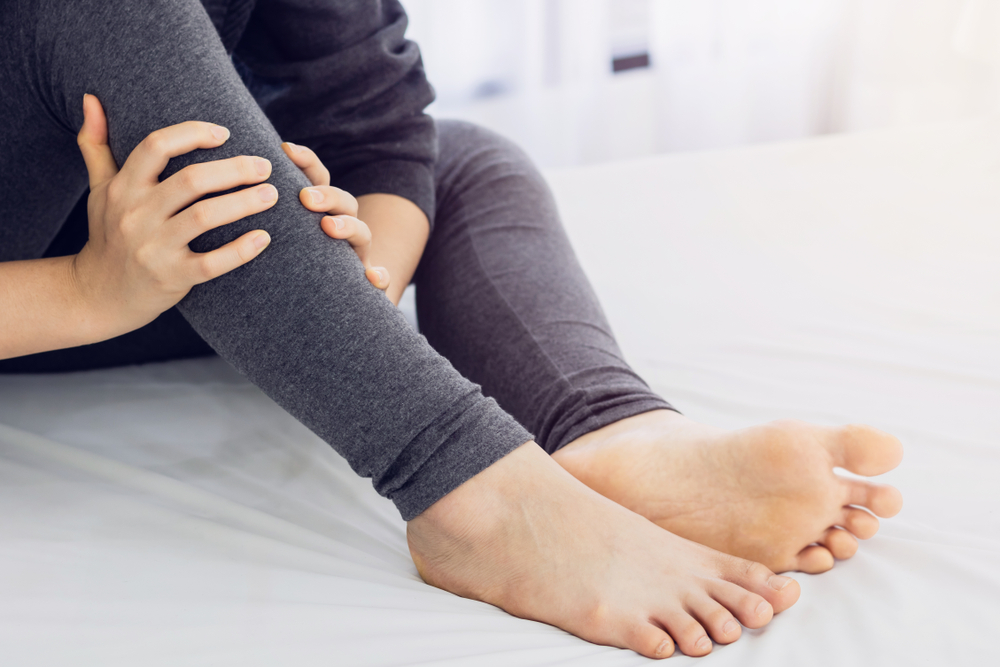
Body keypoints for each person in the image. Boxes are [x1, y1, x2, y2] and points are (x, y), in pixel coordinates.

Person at [0, 0, 903, 659]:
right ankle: (475, 496)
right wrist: (87, 291)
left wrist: (342, 270)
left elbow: (381, 126)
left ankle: (618, 437)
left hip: (155, 261)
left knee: (464, 160)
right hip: (48, 297)